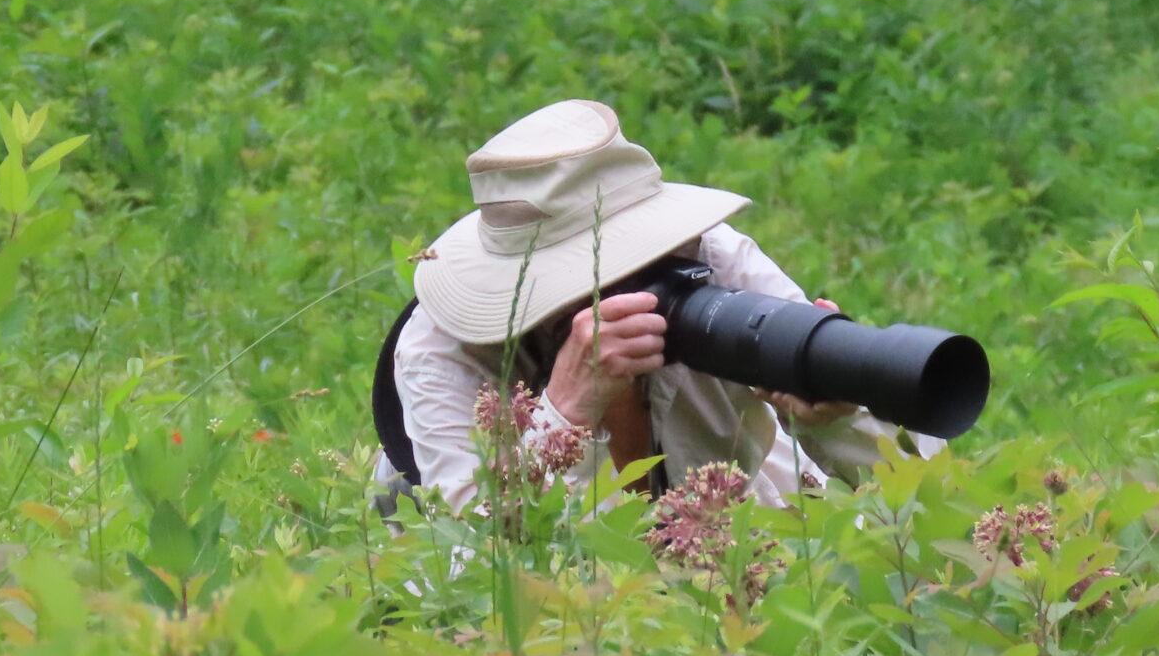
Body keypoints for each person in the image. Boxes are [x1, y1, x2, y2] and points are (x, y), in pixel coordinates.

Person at [372, 98, 941, 515]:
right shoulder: (440, 348)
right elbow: (474, 565)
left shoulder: (714, 259)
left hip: (728, 534)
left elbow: (928, 491)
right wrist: (562, 412)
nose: (639, 277)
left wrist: (834, 413)